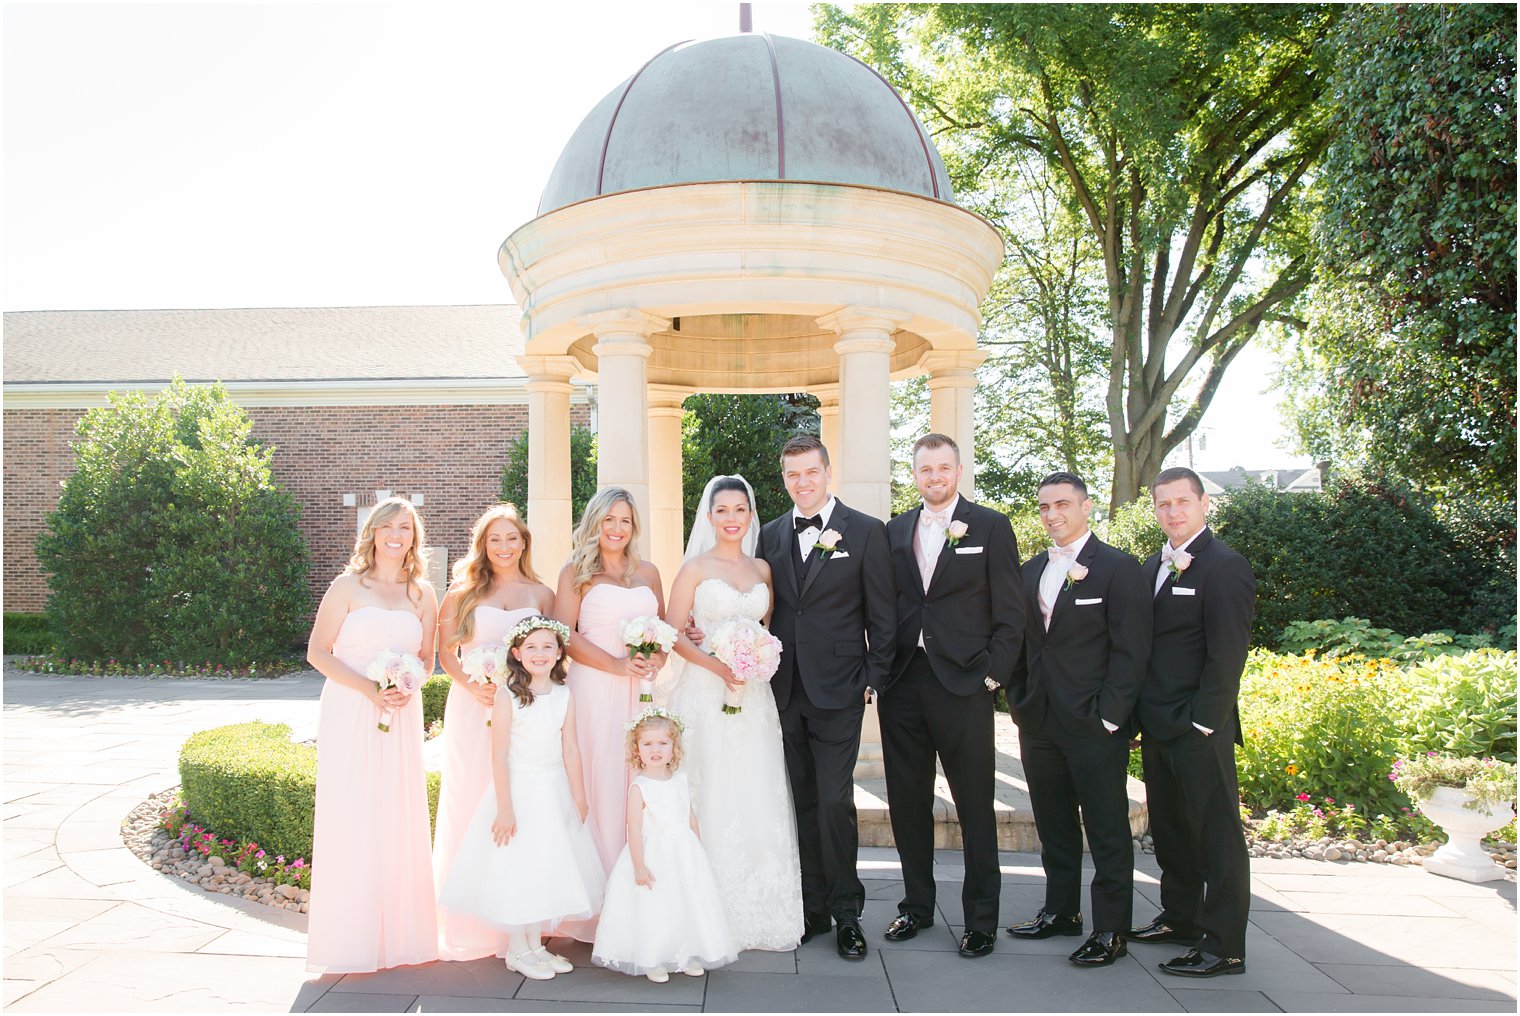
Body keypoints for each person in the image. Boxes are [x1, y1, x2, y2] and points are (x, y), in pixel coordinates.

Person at [880, 433, 1024, 958]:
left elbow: (1012, 615)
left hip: (965, 684)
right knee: (907, 802)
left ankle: (981, 919)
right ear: (914, 474)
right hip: (904, 682)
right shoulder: (894, 531)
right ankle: (916, 908)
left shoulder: (990, 526)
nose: (934, 477)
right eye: (925, 469)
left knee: (975, 805)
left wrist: (991, 678)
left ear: (958, 471)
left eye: (943, 468)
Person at [755, 434, 895, 960]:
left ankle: (847, 913)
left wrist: (872, 678)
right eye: (792, 475)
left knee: (835, 802)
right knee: (801, 798)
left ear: (827, 472)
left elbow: (883, 614)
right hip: (784, 686)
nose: (802, 483)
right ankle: (810, 906)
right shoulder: (769, 535)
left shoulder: (865, 531)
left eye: (810, 472)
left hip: (840, 688)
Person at [1005, 472, 1150, 968]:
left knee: (1107, 828)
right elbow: (1024, 643)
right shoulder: (1028, 572)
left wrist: (1111, 717)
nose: (1052, 515)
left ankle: (1111, 929)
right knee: (1054, 823)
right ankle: (1061, 911)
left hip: (1093, 723)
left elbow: (1132, 651)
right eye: (1044, 507)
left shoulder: (1117, 568)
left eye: (1062, 505)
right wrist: (1018, 700)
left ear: (1086, 507)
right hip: (1039, 720)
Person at [664, 475, 803, 951]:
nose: (731, 518)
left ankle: (761, 913)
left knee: (755, 789)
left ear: (750, 514)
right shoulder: (694, 569)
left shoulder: (764, 569)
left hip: (753, 699)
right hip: (705, 692)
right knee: (711, 788)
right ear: (708, 516)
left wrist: (753, 657)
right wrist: (718, 664)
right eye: (722, 510)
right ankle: (702, 911)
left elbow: (768, 627)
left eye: (740, 509)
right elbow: (673, 632)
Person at [1129, 466, 1256, 978]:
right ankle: (1181, 918)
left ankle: (1225, 945)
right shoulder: (1150, 566)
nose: (1172, 512)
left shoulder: (1225, 567)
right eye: (1163, 504)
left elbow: (1228, 656)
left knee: (1217, 837)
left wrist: (1205, 723)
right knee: (1173, 830)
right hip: (1158, 726)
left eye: (1182, 501)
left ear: (1204, 504)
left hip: (1198, 728)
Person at [305, 496, 439, 973]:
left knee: (396, 812)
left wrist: (407, 684)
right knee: (352, 812)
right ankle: (349, 938)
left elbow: (427, 658)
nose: (396, 534)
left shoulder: (423, 593)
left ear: (413, 537)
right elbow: (318, 653)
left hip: (400, 712)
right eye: (388, 526)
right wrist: (368, 688)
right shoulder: (346, 586)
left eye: (406, 527)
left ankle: (401, 936)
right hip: (350, 708)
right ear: (374, 533)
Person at [440, 615, 604, 981]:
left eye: (548, 646)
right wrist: (505, 808)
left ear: (560, 652)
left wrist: (579, 796)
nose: (540, 653)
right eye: (531, 647)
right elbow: (498, 754)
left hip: (553, 788)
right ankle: (517, 948)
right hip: (520, 791)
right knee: (518, 866)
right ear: (516, 653)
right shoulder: (508, 696)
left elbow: (571, 749)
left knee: (542, 865)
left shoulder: (564, 695)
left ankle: (534, 945)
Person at [432, 504, 555, 961]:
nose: (504, 547)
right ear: (482, 545)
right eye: (494, 539)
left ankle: (521, 919)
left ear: (524, 542)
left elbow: (557, 653)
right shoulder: (461, 593)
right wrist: (471, 685)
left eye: (512, 538)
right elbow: (444, 655)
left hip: (525, 713)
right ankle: (475, 922)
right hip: (473, 709)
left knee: (521, 806)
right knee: (471, 802)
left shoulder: (542, 594)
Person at [552, 487, 668, 907]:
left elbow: (664, 631)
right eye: (609, 520)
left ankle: (640, 891)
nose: (617, 529)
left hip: (642, 692)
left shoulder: (649, 572)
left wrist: (655, 660)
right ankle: (595, 900)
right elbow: (563, 634)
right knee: (600, 781)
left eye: (625, 521)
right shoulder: (575, 572)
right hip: (595, 689)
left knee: (640, 782)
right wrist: (616, 665)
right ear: (594, 523)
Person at [592, 708, 738, 982]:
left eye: (663, 743)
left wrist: (698, 851)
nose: (655, 749)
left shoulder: (680, 780)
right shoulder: (640, 787)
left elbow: (690, 816)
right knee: (657, 906)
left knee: (685, 902)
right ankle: (654, 958)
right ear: (637, 749)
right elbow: (633, 829)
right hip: (653, 855)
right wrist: (638, 866)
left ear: (674, 747)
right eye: (647, 744)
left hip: (683, 853)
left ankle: (686, 953)